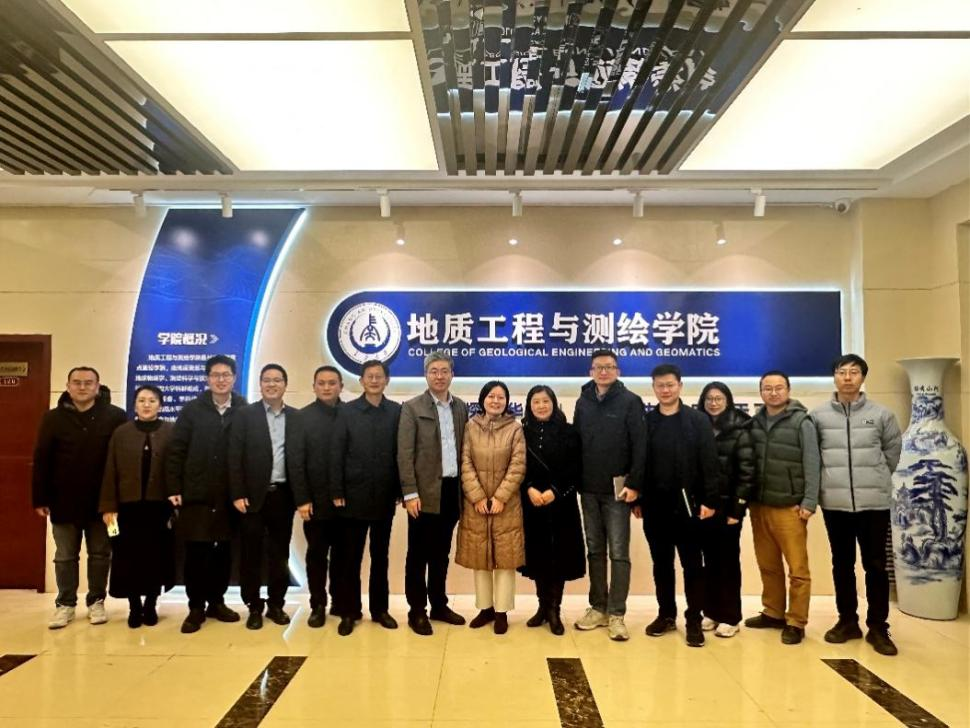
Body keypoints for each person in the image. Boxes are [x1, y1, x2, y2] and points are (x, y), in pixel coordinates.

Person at [811, 354, 902, 656]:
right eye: (842, 372)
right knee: (842, 564)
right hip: (835, 503)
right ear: (834, 377)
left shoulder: (881, 415)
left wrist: (874, 479)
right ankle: (847, 621)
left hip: (873, 503)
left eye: (854, 372)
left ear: (863, 377)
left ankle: (878, 626)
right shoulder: (819, 416)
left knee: (875, 565)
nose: (847, 377)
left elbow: (891, 454)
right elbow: (814, 457)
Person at [32, 366, 127, 629]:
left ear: (97, 386)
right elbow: (42, 459)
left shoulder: (115, 416)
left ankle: (97, 601)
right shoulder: (52, 418)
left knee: (101, 554)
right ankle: (65, 604)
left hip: (104, 503)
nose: (82, 387)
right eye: (77, 382)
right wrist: (40, 498)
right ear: (68, 386)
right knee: (64, 556)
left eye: (88, 383)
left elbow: (122, 460)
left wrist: (119, 500)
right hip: (63, 500)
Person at [635, 364, 719, 647]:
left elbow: (709, 463)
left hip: (689, 506)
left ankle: (694, 619)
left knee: (693, 565)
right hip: (655, 507)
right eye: (660, 385)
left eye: (670, 384)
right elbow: (640, 464)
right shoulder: (647, 421)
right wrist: (638, 500)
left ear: (680, 386)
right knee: (661, 565)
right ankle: (666, 615)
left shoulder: (697, 420)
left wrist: (710, 500)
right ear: (653, 388)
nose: (665, 390)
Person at [166, 354, 248, 634]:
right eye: (215, 375)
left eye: (226, 375)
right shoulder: (192, 410)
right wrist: (174, 487)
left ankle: (217, 602)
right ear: (207, 379)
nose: (221, 380)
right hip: (196, 494)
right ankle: (196, 607)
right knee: (197, 552)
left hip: (229, 495)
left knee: (223, 552)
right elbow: (176, 451)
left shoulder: (244, 409)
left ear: (234, 378)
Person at [572, 349, 646, 641]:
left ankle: (617, 613)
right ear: (591, 371)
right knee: (595, 551)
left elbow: (640, 446)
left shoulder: (630, 401)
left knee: (618, 553)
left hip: (618, 491)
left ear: (618, 371)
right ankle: (598, 607)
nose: (604, 372)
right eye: (598, 367)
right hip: (588, 489)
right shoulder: (583, 401)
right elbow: (576, 442)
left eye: (609, 367)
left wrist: (635, 485)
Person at [745, 370, 820, 645]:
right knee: (768, 565)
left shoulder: (802, 422)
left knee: (798, 569)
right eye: (767, 388)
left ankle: (796, 621)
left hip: (791, 507)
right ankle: (773, 612)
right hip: (760, 505)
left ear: (788, 390)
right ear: (761, 392)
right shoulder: (754, 423)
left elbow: (813, 463)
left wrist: (809, 501)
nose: (773, 392)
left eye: (778, 388)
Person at [397, 351, 469, 636]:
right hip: (423, 493)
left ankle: (439, 604)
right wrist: (409, 493)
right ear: (426, 375)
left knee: (441, 553)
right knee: (418, 555)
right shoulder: (412, 408)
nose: (439, 376)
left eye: (444, 371)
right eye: (434, 371)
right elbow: (404, 454)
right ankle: (417, 610)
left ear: (452, 374)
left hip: (451, 491)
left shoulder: (460, 407)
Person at [329, 359, 402, 636]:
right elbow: (336, 452)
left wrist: (399, 490)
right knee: (351, 558)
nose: (374, 380)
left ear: (386, 381)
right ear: (361, 381)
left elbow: (400, 454)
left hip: (384, 496)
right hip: (352, 497)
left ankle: (380, 610)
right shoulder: (346, 412)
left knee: (380, 557)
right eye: (369, 376)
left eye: (379, 376)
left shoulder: (396, 411)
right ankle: (349, 611)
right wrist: (336, 491)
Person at [229, 363, 299, 630]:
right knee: (251, 555)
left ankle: (276, 604)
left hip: (283, 496)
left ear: (285, 385)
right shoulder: (245, 415)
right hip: (251, 498)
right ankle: (253, 606)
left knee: (279, 554)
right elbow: (234, 456)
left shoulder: (296, 417)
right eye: (267, 380)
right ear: (260, 385)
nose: (272, 384)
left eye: (277, 380)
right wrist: (237, 493)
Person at [99, 385, 175, 628]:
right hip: (127, 508)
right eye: (141, 400)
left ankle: (151, 604)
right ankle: (134, 606)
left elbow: (177, 468)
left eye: (152, 400)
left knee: (155, 557)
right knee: (128, 558)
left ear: (160, 405)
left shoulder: (171, 431)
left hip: (159, 507)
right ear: (134, 405)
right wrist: (108, 506)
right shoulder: (122, 433)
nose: (146, 405)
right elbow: (110, 470)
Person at [456, 380, 526, 635]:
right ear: (482, 399)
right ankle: (485, 608)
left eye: (501, 397)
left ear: (507, 402)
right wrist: (476, 496)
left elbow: (518, 465)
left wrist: (500, 497)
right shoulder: (470, 427)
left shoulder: (515, 429)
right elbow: (465, 463)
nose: (496, 401)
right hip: (476, 505)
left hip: (506, 505)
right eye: (491, 396)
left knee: (505, 560)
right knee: (480, 558)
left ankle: (502, 612)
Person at [519, 385, 585, 636]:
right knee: (538, 556)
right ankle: (542, 607)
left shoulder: (569, 432)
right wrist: (528, 488)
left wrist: (554, 491)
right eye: (536, 402)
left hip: (561, 504)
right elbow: (517, 465)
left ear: (554, 403)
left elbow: (575, 467)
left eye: (545, 401)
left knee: (559, 557)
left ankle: (554, 610)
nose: (541, 406)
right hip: (533, 502)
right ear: (529, 405)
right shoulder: (521, 432)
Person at [696, 381, 755, 639]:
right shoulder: (698, 426)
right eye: (709, 398)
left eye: (718, 398)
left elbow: (747, 473)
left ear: (728, 401)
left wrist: (737, 510)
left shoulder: (740, 429)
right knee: (708, 561)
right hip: (703, 507)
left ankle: (731, 616)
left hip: (728, 508)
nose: (713, 403)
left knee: (727, 562)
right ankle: (710, 611)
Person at [289, 365, 344, 628]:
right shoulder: (302, 417)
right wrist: (302, 499)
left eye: (332, 383)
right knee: (317, 556)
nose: (326, 387)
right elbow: (296, 462)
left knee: (343, 557)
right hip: (314, 503)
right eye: (321, 383)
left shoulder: (351, 414)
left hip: (346, 502)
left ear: (341, 386)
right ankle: (317, 604)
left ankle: (339, 601)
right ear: (313, 387)